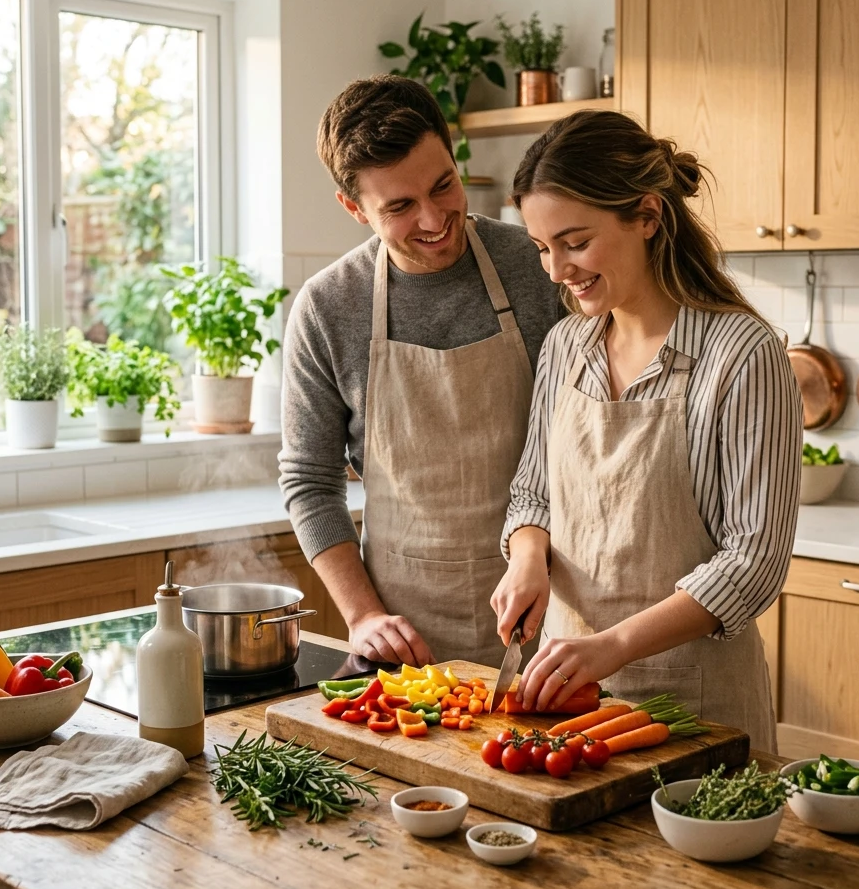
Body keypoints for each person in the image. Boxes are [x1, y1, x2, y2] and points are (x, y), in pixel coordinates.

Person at [490, 110, 802, 750]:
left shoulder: (740, 354)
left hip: (698, 711)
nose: (556, 271)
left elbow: (753, 562)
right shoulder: (565, 346)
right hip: (567, 700)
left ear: (648, 216)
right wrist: (527, 558)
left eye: (575, 242)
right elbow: (533, 495)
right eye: (543, 248)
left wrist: (614, 646)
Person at [279, 75, 562, 668]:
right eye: (401, 207)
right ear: (353, 208)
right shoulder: (329, 307)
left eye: (444, 186)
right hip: (407, 639)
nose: (436, 219)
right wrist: (362, 616)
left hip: (554, 618)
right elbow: (309, 481)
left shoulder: (539, 266)